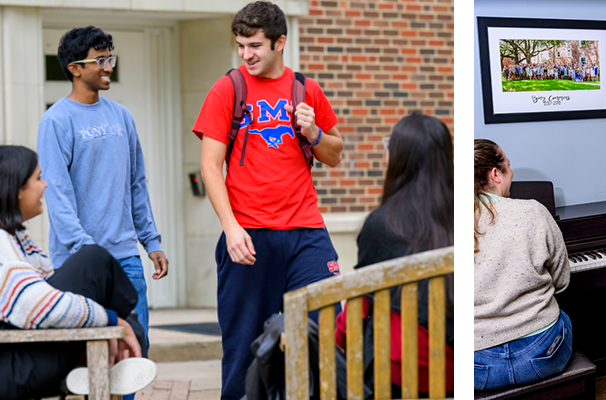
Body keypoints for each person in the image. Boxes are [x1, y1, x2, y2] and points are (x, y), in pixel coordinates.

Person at [192, 2, 344, 398]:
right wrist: (230, 228)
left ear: (281, 42)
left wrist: (313, 132)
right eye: (241, 45)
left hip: (306, 233)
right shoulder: (228, 88)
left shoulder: (306, 88)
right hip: (248, 236)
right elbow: (210, 166)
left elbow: (335, 152)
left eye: (255, 45)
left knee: (326, 329)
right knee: (243, 349)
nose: (246, 54)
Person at [37, 26, 168, 363]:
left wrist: (151, 241)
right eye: (100, 60)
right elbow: (57, 194)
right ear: (75, 68)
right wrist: (87, 249)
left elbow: (136, 182)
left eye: (110, 57)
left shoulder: (122, 116)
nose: (109, 66)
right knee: (85, 356)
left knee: (134, 351)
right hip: (79, 261)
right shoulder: (56, 120)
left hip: (125, 257)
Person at [0, 145, 155, 399]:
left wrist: (110, 319)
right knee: (92, 261)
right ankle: (116, 356)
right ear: (17, 190)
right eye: (38, 178)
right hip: (13, 368)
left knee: (93, 268)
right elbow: (39, 304)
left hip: (24, 355)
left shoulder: (18, 239)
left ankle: (101, 359)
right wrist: (113, 320)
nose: (45, 186)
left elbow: (52, 289)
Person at [333, 112, 454, 397]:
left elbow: (359, 309)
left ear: (398, 159)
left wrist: (338, 338)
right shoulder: (463, 217)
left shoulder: (382, 224)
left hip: (404, 369)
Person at [473, 139, 573, 391]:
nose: (512, 172)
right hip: (544, 354)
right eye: (508, 165)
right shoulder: (534, 212)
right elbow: (562, 282)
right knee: (565, 317)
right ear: (495, 174)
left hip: (477, 367)